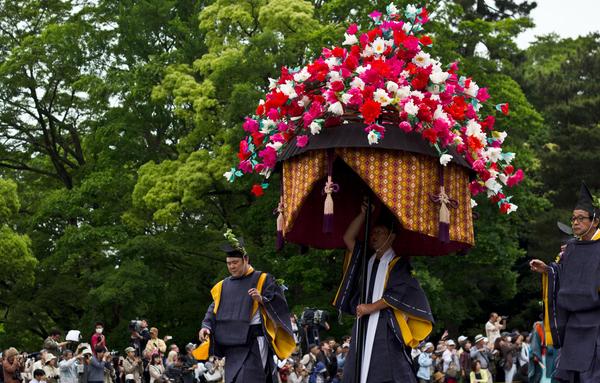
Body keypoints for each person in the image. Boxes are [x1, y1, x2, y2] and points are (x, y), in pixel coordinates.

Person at [334, 203, 434, 383]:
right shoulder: (366, 258)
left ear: (391, 236)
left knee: (387, 370)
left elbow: (396, 293)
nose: (374, 236)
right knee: (356, 369)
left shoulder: (398, 263)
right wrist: (363, 214)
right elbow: (348, 237)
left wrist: (371, 307)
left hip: (385, 322)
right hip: (363, 319)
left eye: (379, 232)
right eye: (373, 232)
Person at [196, 231, 295, 383]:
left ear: (245, 259)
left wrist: (261, 299)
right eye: (229, 263)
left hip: (254, 341)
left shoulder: (263, 279)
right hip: (232, 344)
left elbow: (278, 303)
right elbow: (213, 309)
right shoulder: (223, 285)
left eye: (235, 262)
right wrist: (206, 326)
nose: (232, 267)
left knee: (251, 378)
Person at [530, 182, 600, 382]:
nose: (575, 223)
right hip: (573, 324)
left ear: (595, 222)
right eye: (573, 219)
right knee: (565, 376)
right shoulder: (569, 249)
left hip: (597, 322)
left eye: (581, 218)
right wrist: (548, 270)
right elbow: (562, 275)